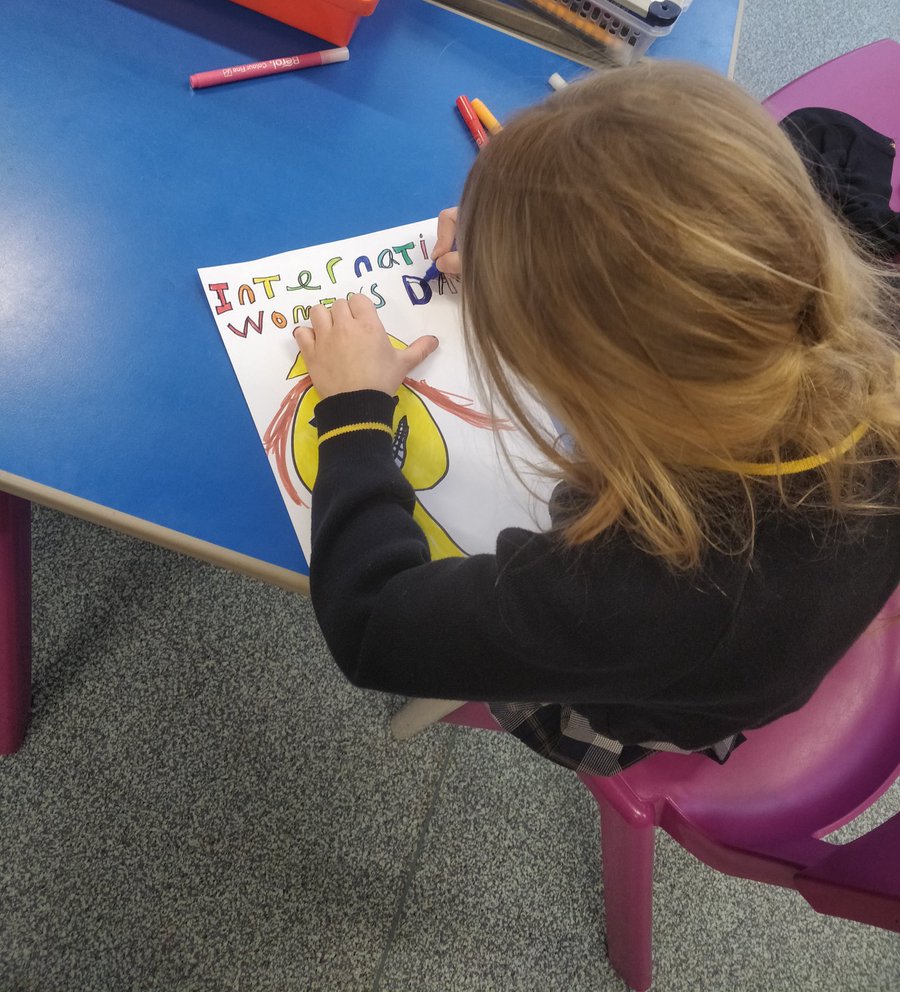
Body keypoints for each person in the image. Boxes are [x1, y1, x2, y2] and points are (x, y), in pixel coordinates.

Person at [293, 60, 900, 775]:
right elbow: (828, 139)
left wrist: (355, 413)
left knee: (558, 695)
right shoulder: (855, 304)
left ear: (601, 384)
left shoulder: (634, 591)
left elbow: (373, 626)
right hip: (788, 617)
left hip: (657, 707)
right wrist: (550, 259)